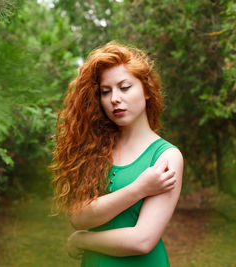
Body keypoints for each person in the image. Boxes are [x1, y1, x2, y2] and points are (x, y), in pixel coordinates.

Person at [51, 42, 183, 266]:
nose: (114, 99)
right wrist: (139, 188)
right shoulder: (95, 149)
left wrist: (84, 240)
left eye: (124, 87)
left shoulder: (166, 156)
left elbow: (142, 240)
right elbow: (79, 217)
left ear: (147, 90)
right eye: (105, 91)